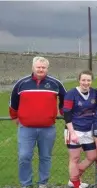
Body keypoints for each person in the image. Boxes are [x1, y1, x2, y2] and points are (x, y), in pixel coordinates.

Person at [9, 56, 66, 188]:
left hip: (47, 128)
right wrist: (14, 117)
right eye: (38, 67)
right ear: (33, 67)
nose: (40, 69)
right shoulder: (21, 83)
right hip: (26, 128)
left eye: (43, 67)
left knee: (45, 157)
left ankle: (43, 183)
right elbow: (13, 102)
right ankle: (26, 184)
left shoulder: (55, 83)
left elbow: (66, 100)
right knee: (24, 157)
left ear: (47, 68)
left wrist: (63, 113)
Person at [63, 70, 97, 188]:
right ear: (79, 80)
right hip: (74, 130)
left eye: (88, 80)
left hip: (89, 130)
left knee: (92, 156)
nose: (86, 82)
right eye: (83, 80)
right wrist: (72, 133)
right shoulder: (71, 93)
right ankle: (76, 184)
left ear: (91, 81)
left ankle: (74, 177)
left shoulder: (94, 93)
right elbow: (66, 114)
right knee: (75, 158)